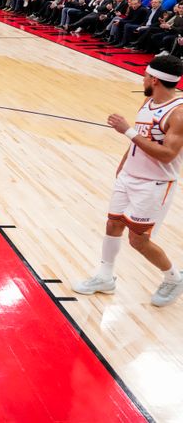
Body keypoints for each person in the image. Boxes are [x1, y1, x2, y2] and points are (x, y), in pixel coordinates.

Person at [73, 55, 183, 307]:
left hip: (154, 184)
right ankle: (104, 277)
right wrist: (123, 165)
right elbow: (141, 139)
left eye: (145, 76)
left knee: (138, 241)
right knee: (113, 225)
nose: (142, 79)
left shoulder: (178, 113)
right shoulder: (148, 100)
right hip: (129, 178)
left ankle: (173, 277)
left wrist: (127, 131)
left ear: (154, 79)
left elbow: (167, 155)